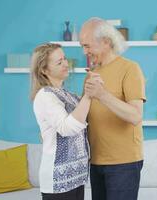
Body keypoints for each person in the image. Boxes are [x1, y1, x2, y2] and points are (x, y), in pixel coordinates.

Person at [80, 17, 147, 200]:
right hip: (95, 161)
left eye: (87, 46)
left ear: (106, 42)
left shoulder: (130, 69)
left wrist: (102, 95)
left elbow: (135, 116)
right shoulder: (91, 75)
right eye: (82, 46)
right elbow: (85, 116)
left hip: (124, 163)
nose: (84, 52)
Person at [31, 43, 101, 200]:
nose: (65, 64)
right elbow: (67, 127)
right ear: (44, 70)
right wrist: (89, 94)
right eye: (59, 62)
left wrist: (88, 85)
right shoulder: (45, 96)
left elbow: (82, 115)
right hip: (58, 180)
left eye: (64, 59)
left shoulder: (66, 94)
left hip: (76, 176)